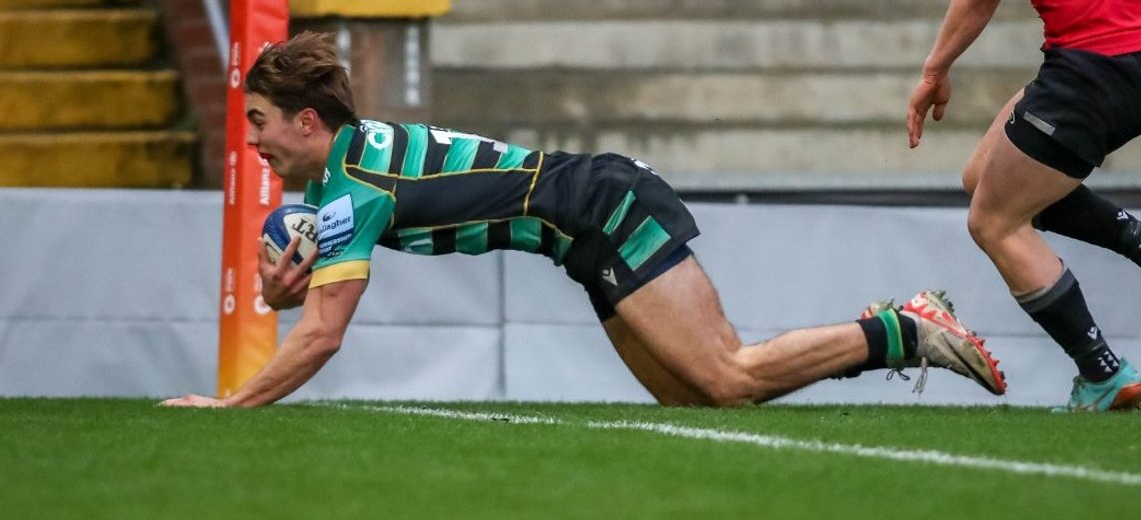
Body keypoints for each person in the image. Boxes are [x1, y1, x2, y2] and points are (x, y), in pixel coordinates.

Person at [161, 31, 1005, 409]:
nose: (256, 143)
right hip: (580, 233)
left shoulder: (350, 188)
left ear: (308, 122)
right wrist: (277, 295)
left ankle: (902, 327)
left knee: (727, 376)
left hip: (600, 204)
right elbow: (304, 312)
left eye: (261, 123)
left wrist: (231, 405)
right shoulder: (339, 183)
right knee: (699, 398)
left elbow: (322, 337)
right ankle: (896, 330)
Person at [906, 0, 1141, 411]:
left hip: (1096, 63)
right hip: (1105, 55)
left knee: (994, 223)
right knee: (981, 178)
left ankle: (1101, 374)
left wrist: (934, 70)